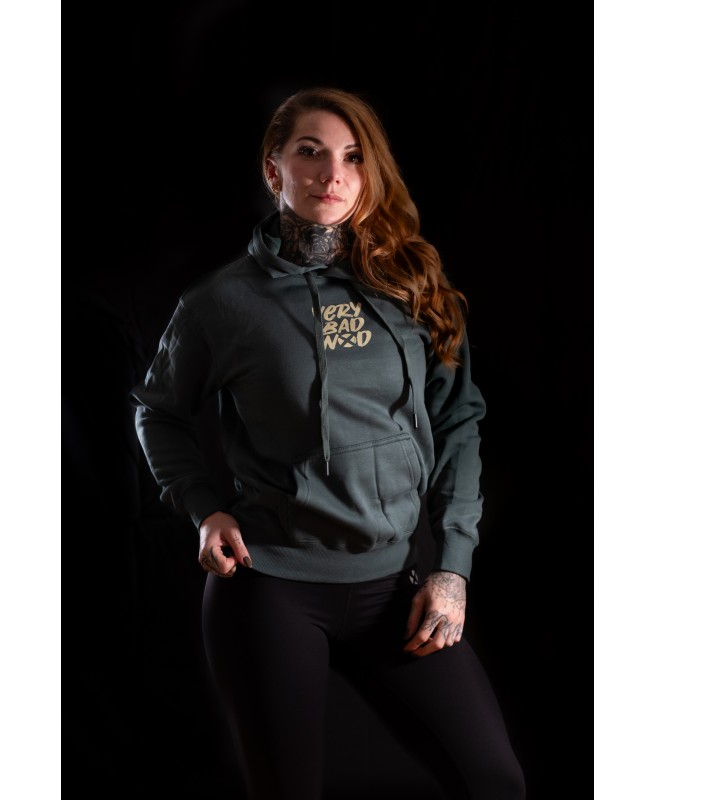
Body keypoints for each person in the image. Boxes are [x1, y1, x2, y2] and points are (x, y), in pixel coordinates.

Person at [130, 86, 526, 800]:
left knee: (493, 781)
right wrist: (204, 508)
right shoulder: (221, 303)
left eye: (352, 156)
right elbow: (157, 413)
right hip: (269, 589)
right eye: (310, 152)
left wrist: (453, 567)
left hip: (397, 585)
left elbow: (459, 422)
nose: (332, 174)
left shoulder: (412, 285)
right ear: (273, 168)